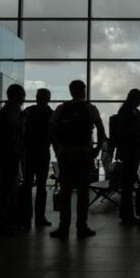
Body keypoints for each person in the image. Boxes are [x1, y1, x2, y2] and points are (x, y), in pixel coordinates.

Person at [49, 80, 105, 239]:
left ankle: (63, 227)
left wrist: (57, 150)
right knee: (83, 193)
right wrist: (97, 149)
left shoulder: (61, 108)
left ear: (70, 91)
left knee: (65, 192)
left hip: (66, 155)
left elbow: (51, 130)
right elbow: (101, 129)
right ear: (83, 91)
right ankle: (82, 226)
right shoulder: (90, 108)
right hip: (84, 155)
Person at [0, 84, 26, 237]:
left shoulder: (2, 110)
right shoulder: (14, 110)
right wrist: (22, 121)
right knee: (7, 189)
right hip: (10, 155)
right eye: (22, 95)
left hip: (2, 155)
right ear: (17, 95)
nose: (24, 98)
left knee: (5, 189)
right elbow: (13, 129)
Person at [116, 88, 140, 225]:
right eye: (139, 98)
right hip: (131, 151)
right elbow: (134, 131)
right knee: (128, 184)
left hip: (130, 151)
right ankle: (128, 214)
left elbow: (132, 130)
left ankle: (127, 214)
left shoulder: (126, 111)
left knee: (128, 184)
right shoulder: (131, 112)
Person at [22, 88, 54, 227]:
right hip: (42, 152)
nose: (38, 98)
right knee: (41, 187)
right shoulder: (50, 114)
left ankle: (26, 218)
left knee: (27, 185)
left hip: (29, 152)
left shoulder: (28, 111)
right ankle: (39, 218)